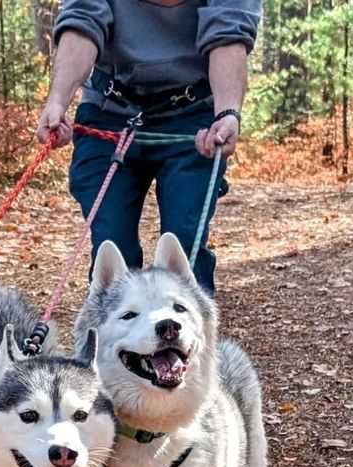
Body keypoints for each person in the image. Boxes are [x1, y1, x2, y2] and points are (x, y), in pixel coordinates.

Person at [37, 0, 262, 295]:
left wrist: (227, 113)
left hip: (193, 117)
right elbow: (82, 20)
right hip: (109, 111)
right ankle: (111, 333)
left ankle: (193, 336)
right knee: (112, 245)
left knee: (183, 246)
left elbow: (229, 32)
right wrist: (57, 101)